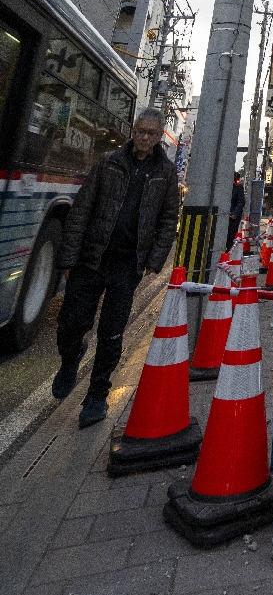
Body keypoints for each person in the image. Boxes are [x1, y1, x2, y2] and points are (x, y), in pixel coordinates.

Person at [52, 107, 180, 427]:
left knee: (111, 332)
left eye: (151, 133)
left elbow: (168, 220)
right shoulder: (109, 161)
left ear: (159, 136)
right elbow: (82, 209)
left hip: (127, 265)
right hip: (91, 258)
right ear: (133, 131)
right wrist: (68, 257)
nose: (144, 137)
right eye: (140, 131)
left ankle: (97, 395)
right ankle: (70, 360)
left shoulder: (165, 173)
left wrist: (155, 259)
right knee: (70, 324)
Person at [226, 171, 245, 250]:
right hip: (225, 214)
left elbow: (241, 201)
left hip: (233, 215)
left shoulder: (238, 187)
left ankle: (228, 249)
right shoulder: (224, 187)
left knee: (230, 234)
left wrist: (235, 213)